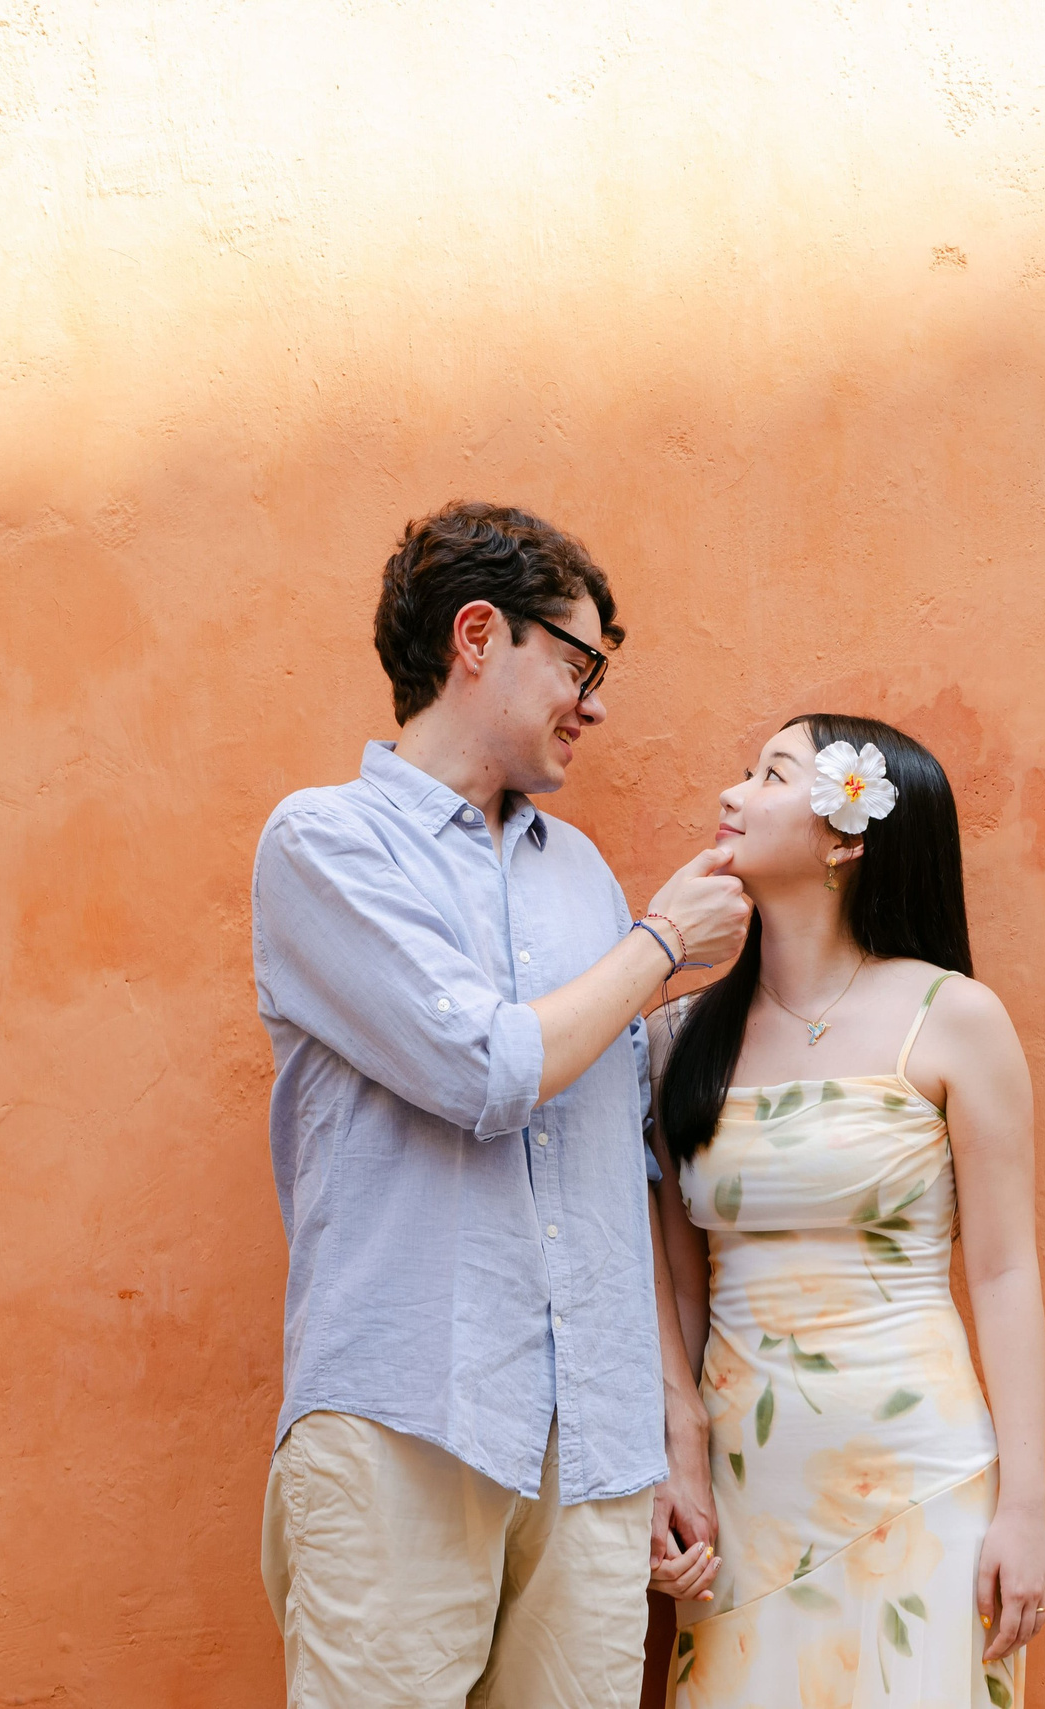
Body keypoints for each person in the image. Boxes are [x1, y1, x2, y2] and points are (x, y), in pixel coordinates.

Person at [250, 500, 747, 1709]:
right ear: (480, 636)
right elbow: (483, 1069)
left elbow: (615, 1158)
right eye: (579, 663)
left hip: (593, 1447)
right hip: (405, 1416)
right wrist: (662, 945)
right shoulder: (324, 842)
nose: (597, 702)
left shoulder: (578, 872)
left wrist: (668, 1420)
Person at [646, 714, 1045, 1707]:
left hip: (921, 1474)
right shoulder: (679, 1036)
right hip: (743, 1497)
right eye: (743, 770)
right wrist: (674, 1459)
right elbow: (673, 1284)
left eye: (772, 774)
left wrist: (1025, 1509)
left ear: (846, 835)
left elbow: (1003, 1272)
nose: (732, 795)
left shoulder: (953, 1017)